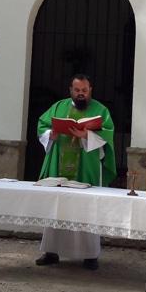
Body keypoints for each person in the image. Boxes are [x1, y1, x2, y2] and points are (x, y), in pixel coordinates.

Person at [35, 73, 116, 270]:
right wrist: (50, 134)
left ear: (90, 91)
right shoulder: (58, 107)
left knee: (87, 208)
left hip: (85, 167)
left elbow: (107, 135)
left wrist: (86, 135)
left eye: (84, 91)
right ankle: (52, 252)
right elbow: (42, 126)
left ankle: (90, 256)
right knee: (57, 206)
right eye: (77, 90)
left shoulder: (100, 110)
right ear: (70, 90)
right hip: (59, 166)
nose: (81, 94)